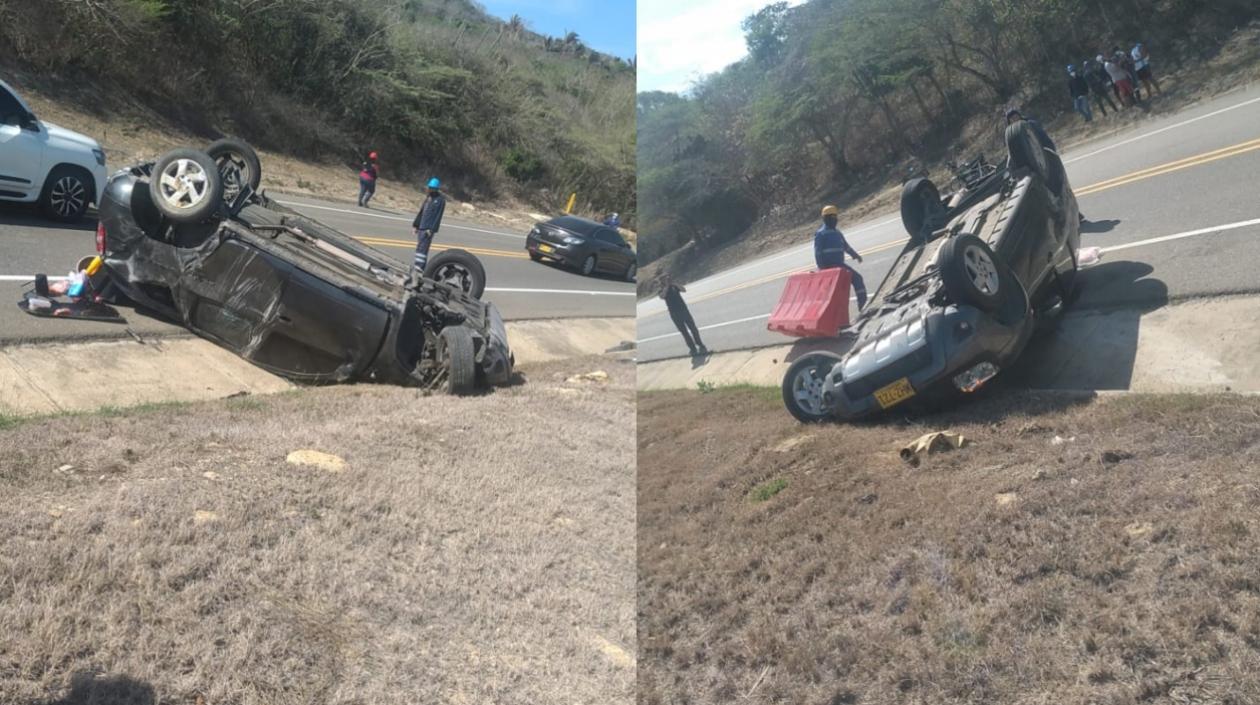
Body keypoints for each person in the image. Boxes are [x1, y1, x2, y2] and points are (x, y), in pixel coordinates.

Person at [813, 205, 867, 310]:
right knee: (830, 292)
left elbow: (846, 247)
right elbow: (818, 253)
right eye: (830, 218)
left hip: (840, 266)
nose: (834, 220)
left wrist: (855, 255)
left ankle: (863, 306)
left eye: (835, 217)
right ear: (825, 219)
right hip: (829, 268)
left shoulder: (837, 233)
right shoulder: (820, 234)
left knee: (857, 279)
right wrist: (822, 269)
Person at [659, 275, 707, 357]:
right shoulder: (661, 290)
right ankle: (692, 348)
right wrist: (667, 286)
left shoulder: (674, 286)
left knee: (693, 328)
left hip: (684, 310)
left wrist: (674, 283)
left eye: (667, 278)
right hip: (674, 314)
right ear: (662, 281)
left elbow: (684, 290)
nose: (667, 279)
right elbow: (662, 296)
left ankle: (699, 343)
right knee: (684, 332)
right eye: (665, 279)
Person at [409, 178, 446, 283]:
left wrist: (432, 229)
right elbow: (422, 212)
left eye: (432, 188)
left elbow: (438, 217)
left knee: (423, 248)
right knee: (419, 247)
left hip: (428, 229)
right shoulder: (428, 198)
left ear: (436, 189)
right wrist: (415, 225)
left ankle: (420, 268)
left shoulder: (440, 200)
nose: (430, 189)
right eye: (429, 187)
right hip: (421, 226)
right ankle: (418, 266)